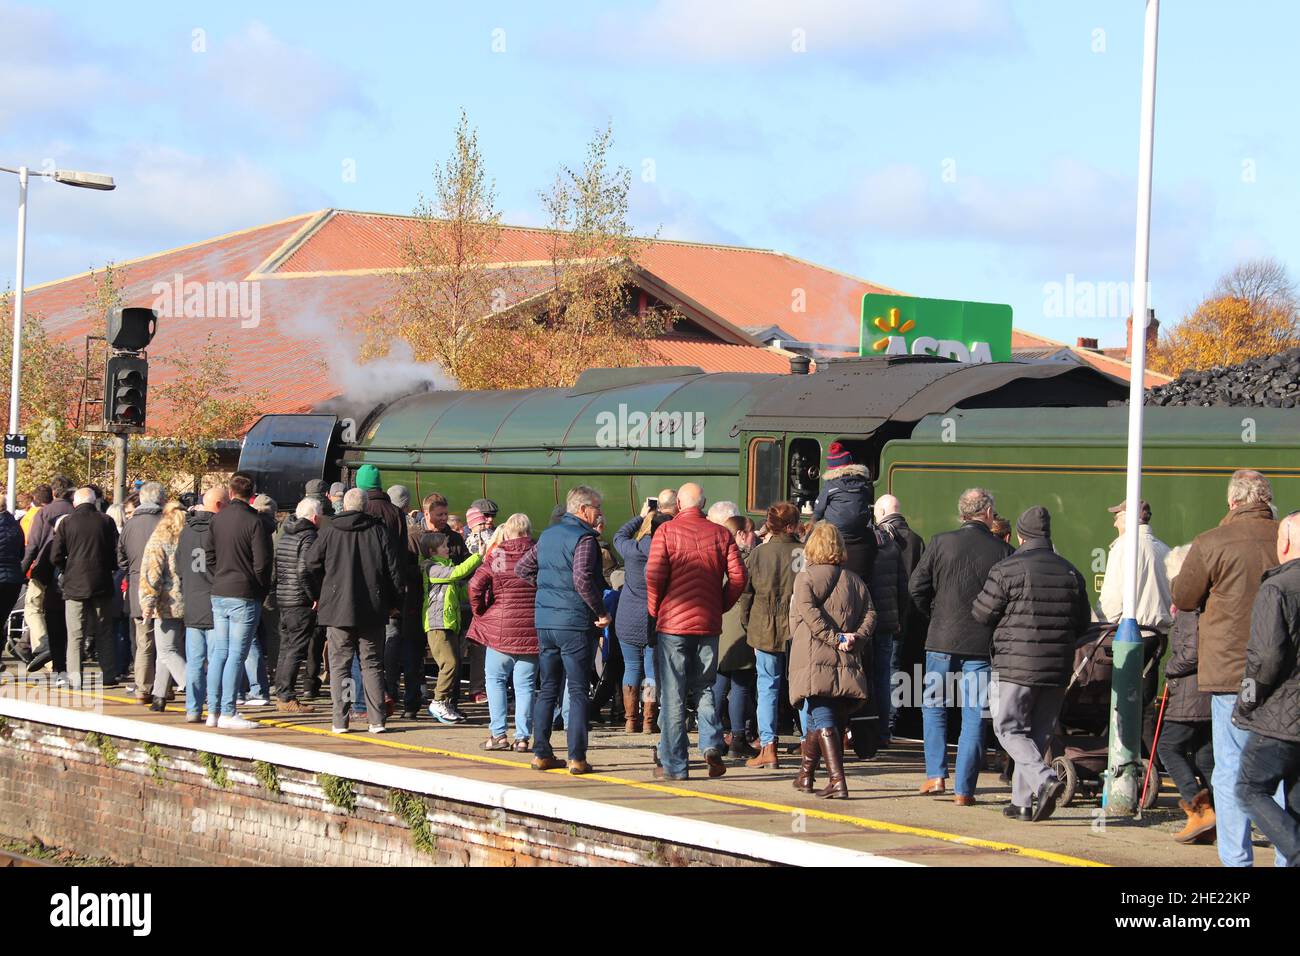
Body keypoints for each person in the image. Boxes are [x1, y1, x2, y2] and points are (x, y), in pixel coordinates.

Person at [1171, 469, 1280, 866]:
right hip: (1282, 675)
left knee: (1231, 766)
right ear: (1266, 500)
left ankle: (1236, 860)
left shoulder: (1212, 541)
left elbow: (1183, 596)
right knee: (1281, 768)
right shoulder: (1286, 537)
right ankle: (1288, 855)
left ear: (1232, 502)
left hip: (1233, 675)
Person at [973, 506, 1090, 822]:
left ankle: (1046, 780)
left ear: (1021, 536)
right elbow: (1081, 625)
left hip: (1015, 667)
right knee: (1037, 735)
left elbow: (982, 614)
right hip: (1057, 669)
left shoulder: (1007, 569)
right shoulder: (1071, 573)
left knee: (1008, 728)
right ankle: (1023, 803)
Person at [908, 488, 1012, 802]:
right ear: (989, 513)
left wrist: (934, 616)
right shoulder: (1003, 553)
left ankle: (936, 776)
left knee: (934, 705)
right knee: (974, 712)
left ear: (962, 513)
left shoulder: (941, 542)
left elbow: (916, 587)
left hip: (941, 638)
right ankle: (964, 789)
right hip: (981, 643)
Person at [644, 482, 748, 781]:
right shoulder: (721, 534)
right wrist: (720, 605)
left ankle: (676, 765)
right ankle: (711, 745)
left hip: (673, 625)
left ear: (678, 503)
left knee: (673, 693)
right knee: (704, 686)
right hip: (707, 624)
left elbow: (654, 574)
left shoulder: (666, 532)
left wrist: (655, 608)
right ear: (703, 504)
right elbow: (739, 577)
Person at [515, 485, 609, 775]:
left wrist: (549, 592)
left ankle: (541, 753)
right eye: (597, 508)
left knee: (548, 688)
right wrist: (601, 611)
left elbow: (522, 568)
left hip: (546, 623)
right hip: (575, 624)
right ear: (582, 509)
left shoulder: (548, 535)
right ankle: (577, 757)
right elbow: (582, 579)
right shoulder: (584, 539)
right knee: (579, 690)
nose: (599, 514)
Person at [304, 487, 404, 734]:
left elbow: (310, 563)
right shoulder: (378, 531)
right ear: (366, 506)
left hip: (337, 608)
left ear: (343, 506)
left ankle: (340, 720)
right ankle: (376, 720)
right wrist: (393, 603)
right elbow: (394, 571)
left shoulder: (329, 532)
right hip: (372, 607)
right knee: (371, 664)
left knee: (340, 665)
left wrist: (319, 593)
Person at [788, 521, 875, 798]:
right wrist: (854, 638)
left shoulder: (805, 577)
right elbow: (871, 615)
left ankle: (837, 781)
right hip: (845, 656)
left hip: (814, 654)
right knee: (819, 713)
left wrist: (833, 637)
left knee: (822, 712)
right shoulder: (855, 580)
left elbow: (808, 614)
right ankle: (805, 775)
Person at [1234, 511, 1300, 868]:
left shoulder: (1277, 587)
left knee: (1248, 787)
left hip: (1280, 717)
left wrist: (1246, 699)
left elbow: (1266, 657)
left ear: (1285, 542)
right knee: (1297, 801)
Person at [1159, 545, 1216, 843]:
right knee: (1206, 757)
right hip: (1208, 691)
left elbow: (1191, 652)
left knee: (1168, 747)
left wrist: (1170, 668)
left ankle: (1199, 810)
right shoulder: (1208, 603)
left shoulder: (1186, 607)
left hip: (1190, 693)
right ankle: (1216, 818)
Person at [468, 513, 539, 751]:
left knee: (495, 681)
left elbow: (475, 585)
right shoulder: (538, 554)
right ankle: (522, 738)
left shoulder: (499, 555)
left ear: (507, 533)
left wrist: (481, 612)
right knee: (525, 686)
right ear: (528, 532)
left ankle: (498, 735)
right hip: (531, 629)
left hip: (499, 631)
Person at [209, 472, 273, 730]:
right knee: (237, 654)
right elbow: (263, 563)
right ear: (252, 496)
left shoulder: (217, 519)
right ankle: (228, 711)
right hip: (244, 593)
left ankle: (213, 710)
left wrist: (220, 575)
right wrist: (260, 588)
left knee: (219, 654)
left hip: (219, 590)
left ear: (231, 493)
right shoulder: (255, 522)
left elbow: (210, 555)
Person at [741, 501, 802, 769]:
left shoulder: (758, 554)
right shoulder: (803, 553)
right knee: (803, 689)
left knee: (767, 687)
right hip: (798, 629)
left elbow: (746, 594)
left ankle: (769, 748)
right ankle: (811, 745)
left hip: (763, 628)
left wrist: (747, 623)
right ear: (791, 525)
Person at [51, 486, 120, 690]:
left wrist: (66, 568)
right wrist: (108, 569)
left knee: (75, 634)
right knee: (104, 631)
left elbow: (55, 555)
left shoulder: (67, 523)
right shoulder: (107, 521)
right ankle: (108, 674)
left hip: (74, 584)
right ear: (94, 501)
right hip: (101, 583)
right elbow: (115, 553)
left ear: (75, 502)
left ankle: (75, 677)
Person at [612, 502, 672, 735]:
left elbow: (619, 534)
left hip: (627, 616)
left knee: (631, 667)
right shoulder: (665, 553)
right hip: (653, 616)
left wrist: (641, 516)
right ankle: (649, 721)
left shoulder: (631, 549)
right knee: (651, 672)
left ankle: (630, 720)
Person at [420, 531, 482, 723]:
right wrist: (479, 557)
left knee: (455, 663)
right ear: (432, 551)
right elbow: (457, 573)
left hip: (450, 622)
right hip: (437, 624)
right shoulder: (431, 568)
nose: (448, 549)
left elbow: (461, 592)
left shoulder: (446, 567)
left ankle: (447, 703)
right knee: (450, 663)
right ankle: (438, 701)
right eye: (444, 546)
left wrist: (478, 580)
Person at [178, 486, 227, 724]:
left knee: (194, 661)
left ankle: (192, 708)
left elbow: (178, 567)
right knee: (216, 659)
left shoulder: (185, 532)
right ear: (219, 505)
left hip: (191, 601)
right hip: (215, 601)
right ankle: (214, 708)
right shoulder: (218, 530)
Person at [139, 503, 190, 712]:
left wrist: (147, 603)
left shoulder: (159, 538)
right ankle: (159, 696)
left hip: (167, 602)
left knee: (167, 650)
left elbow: (153, 573)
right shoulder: (188, 537)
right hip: (190, 599)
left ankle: (194, 686)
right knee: (167, 650)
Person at [21, 476, 74, 675]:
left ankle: (44, 649)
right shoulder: (74, 511)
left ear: (53, 492)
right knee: (61, 615)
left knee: (33, 608)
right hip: (67, 571)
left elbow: (33, 544)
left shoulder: (44, 512)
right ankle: (60, 655)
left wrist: (24, 569)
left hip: (43, 567)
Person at [119, 481, 166, 703]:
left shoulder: (130, 525)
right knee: (167, 643)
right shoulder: (167, 522)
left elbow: (121, 560)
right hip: (166, 591)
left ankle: (143, 689)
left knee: (144, 642)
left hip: (138, 588)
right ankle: (163, 687)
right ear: (161, 499)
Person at [273, 497, 321, 713]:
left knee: (286, 646)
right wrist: (315, 596)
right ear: (314, 517)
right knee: (296, 648)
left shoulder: (287, 533)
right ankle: (287, 696)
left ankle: (281, 690)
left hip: (284, 598)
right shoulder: (309, 536)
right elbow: (305, 569)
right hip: (300, 600)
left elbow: (277, 567)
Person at [716, 514, 758, 757]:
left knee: (719, 685)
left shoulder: (718, 557)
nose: (756, 537)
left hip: (721, 628)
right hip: (741, 629)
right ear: (741, 535)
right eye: (752, 532)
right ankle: (739, 737)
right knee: (741, 686)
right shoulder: (747, 561)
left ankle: (714, 734)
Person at [1097, 499, 1172, 631]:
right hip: (1160, 635)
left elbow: (1113, 600)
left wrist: (1101, 625)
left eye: (1117, 517)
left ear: (1128, 517)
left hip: (1129, 635)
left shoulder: (1122, 547)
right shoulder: (1166, 550)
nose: (1115, 524)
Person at [812, 441, 877, 583]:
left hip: (837, 534)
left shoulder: (830, 486)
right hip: (860, 533)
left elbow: (818, 511)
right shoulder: (863, 484)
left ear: (832, 469)